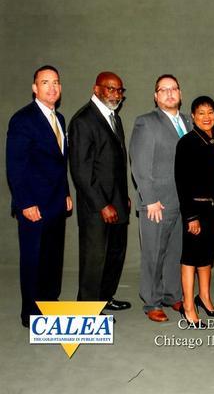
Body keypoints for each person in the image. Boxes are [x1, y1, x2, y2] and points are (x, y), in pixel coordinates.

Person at [6, 65, 72, 328]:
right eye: (45, 82)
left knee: (52, 257)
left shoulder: (60, 119)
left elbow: (60, 162)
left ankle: (49, 302)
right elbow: (15, 165)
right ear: (35, 88)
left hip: (56, 201)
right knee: (33, 259)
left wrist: (66, 192)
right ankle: (31, 313)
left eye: (56, 82)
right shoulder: (23, 119)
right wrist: (25, 203)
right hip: (33, 204)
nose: (52, 87)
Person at [129, 74, 191, 322]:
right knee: (153, 254)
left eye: (173, 88)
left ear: (180, 93)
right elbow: (139, 164)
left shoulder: (188, 121)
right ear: (155, 96)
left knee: (175, 252)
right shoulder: (146, 123)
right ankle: (152, 302)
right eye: (163, 90)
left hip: (182, 202)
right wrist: (149, 199)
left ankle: (171, 294)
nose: (169, 93)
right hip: (157, 202)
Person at [69, 72, 131, 312]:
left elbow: (114, 163)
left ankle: (105, 298)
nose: (116, 94)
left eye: (119, 90)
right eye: (110, 89)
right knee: (94, 259)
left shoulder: (114, 118)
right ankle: (87, 309)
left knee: (114, 254)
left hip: (116, 201)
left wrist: (122, 195)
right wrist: (102, 204)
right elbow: (81, 170)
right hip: (97, 206)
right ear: (96, 89)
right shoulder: (83, 121)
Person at [175, 96, 214, 327]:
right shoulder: (187, 142)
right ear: (193, 117)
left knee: (207, 257)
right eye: (201, 113)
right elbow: (182, 182)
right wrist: (191, 217)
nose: (206, 117)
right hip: (196, 210)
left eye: (210, 112)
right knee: (191, 258)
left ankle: (204, 298)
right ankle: (188, 306)